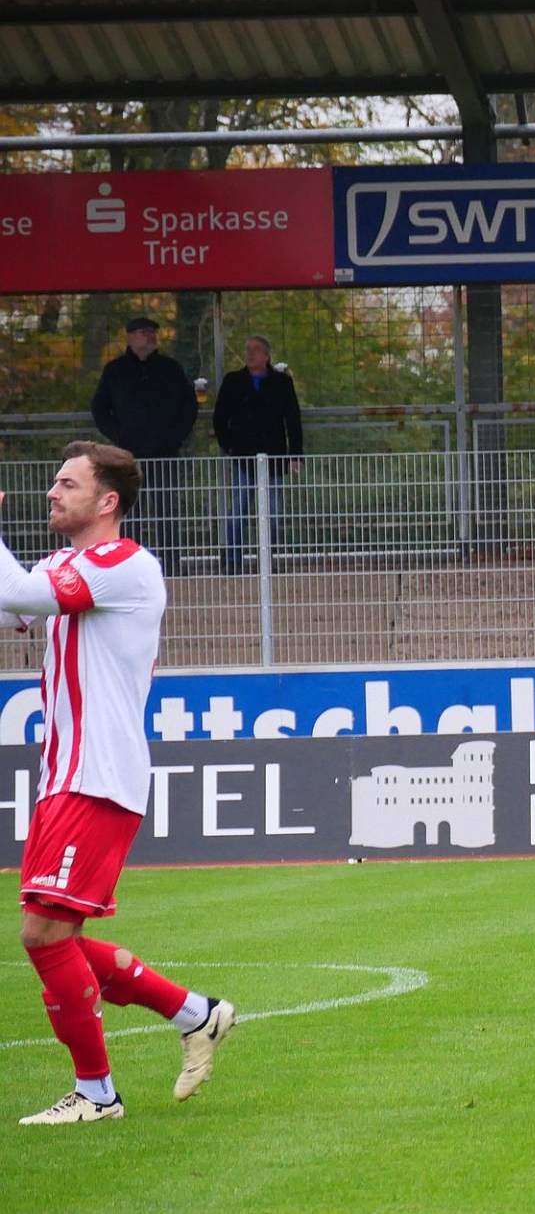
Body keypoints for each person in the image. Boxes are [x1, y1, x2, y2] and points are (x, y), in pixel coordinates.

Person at [0, 442, 235, 1124]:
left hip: (96, 774)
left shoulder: (125, 563)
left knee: (44, 934)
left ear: (108, 501)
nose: (52, 492)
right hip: (68, 775)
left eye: (67, 483)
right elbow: (12, 605)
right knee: (56, 936)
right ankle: (196, 1014)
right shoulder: (65, 564)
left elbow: (19, 594)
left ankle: (97, 1093)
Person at [90, 316, 198, 575]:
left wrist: (175, 436)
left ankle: (171, 564)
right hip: (129, 455)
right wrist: (119, 436)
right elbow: (100, 407)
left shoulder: (170, 368)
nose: (150, 336)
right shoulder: (115, 370)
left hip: (165, 452)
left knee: (167, 508)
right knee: (130, 510)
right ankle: (131, 566)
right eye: (143, 332)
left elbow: (189, 405)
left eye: (152, 332)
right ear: (130, 336)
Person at [213, 334, 304, 573]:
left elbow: (293, 420)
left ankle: (267, 560)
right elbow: (220, 418)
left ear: (266, 355)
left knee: (271, 512)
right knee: (239, 508)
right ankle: (233, 562)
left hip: (274, 458)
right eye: (248, 348)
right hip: (243, 457)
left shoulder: (282, 382)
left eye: (256, 349)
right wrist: (229, 446)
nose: (250, 353)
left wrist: (295, 454)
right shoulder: (233, 381)